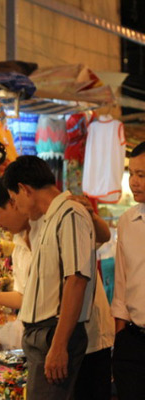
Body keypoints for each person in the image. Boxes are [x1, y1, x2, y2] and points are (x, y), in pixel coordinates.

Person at [0, 178, 115, 400]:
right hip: (52, 342)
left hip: (87, 337)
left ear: (14, 201)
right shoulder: (18, 245)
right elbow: (26, 297)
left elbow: (99, 243)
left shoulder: (57, 221)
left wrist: (89, 213)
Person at [111, 141, 145, 399]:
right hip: (133, 341)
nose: (134, 182)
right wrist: (120, 338)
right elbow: (120, 285)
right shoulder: (128, 222)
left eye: (141, 175)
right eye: (131, 174)